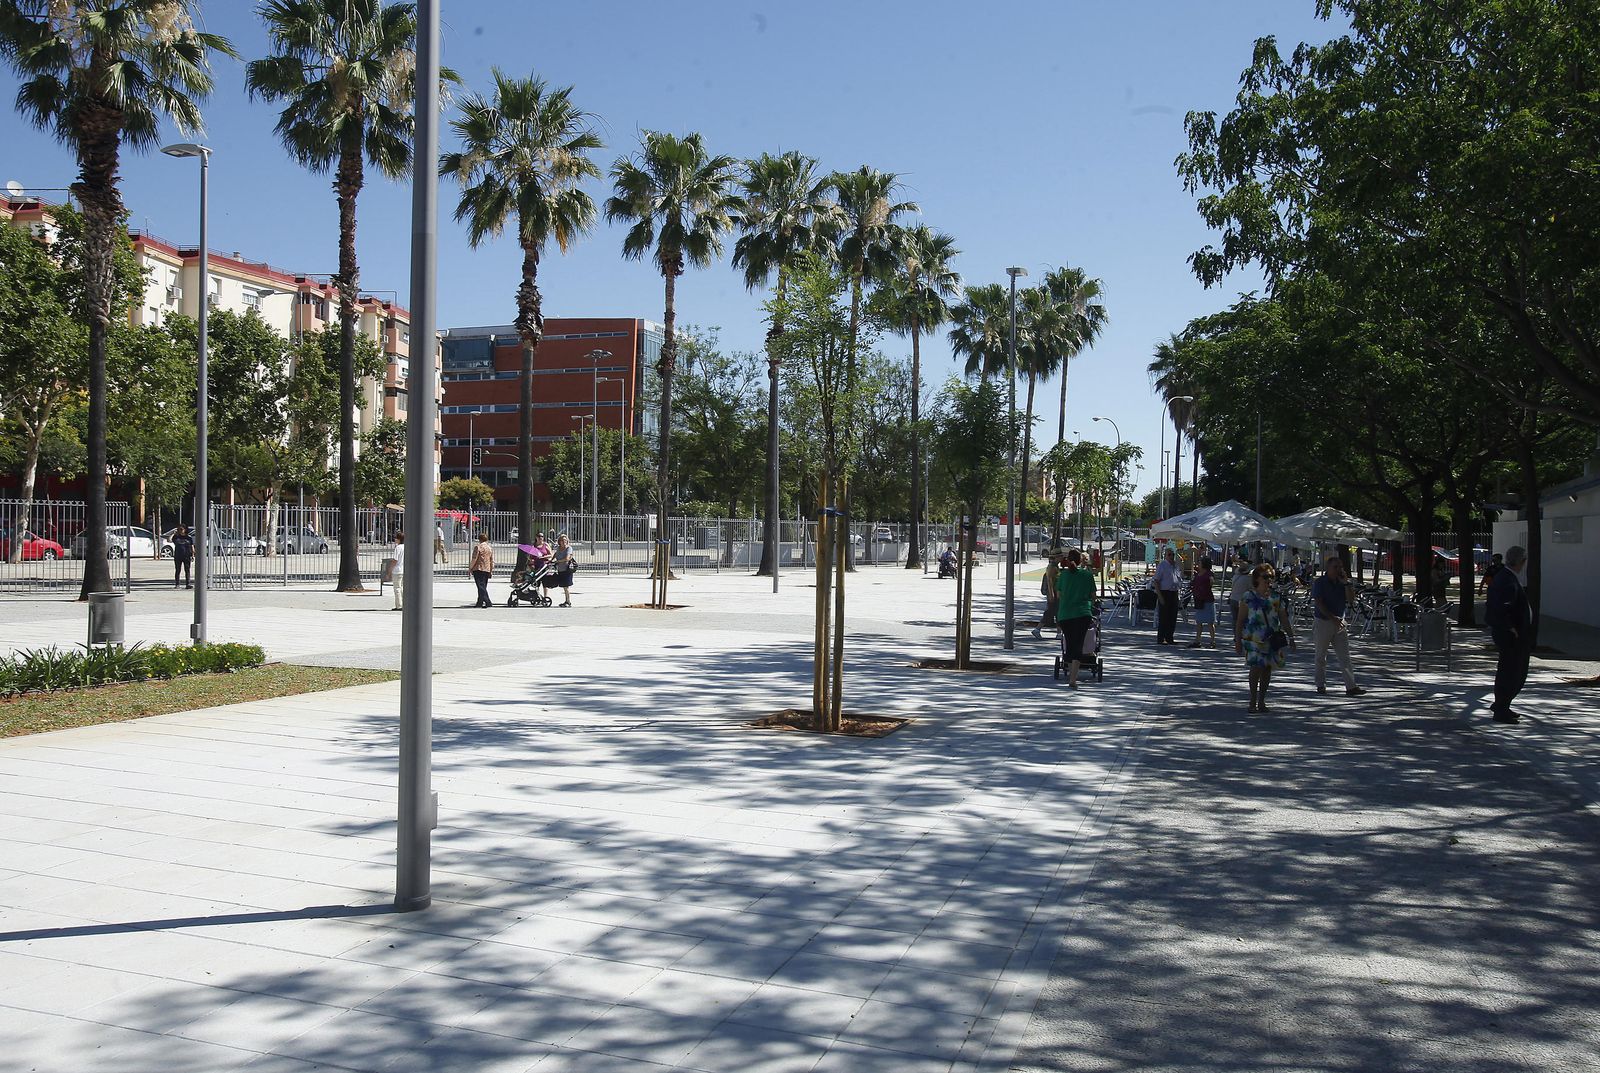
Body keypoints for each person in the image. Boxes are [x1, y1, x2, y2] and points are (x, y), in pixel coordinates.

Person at [1236, 563, 1296, 712]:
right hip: (1254, 640)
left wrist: (1292, 637)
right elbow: (1240, 621)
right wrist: (1237, 641)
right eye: (1265, 577)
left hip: (1271, 640)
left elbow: (1284, 618)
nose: (1269, 580)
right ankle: (1252, 700)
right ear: (1257, 578)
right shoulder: (1248, 597)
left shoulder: (1276, 598)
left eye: (1271, 577)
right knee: (1255, 668)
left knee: (1267, 670)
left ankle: (1262, 700)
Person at [1484, 545, 1530, 724]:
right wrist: (1510, 627)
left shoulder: (1507, 577)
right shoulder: (1507, 579)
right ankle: (1501, 707)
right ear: (1522, 562)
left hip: (1513, 634)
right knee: (1512, 672)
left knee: (1512, 671)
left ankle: (1503, 704)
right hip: (1511, 636)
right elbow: (1500, 606)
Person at [1311, 552, 1366, 696]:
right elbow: (1319, 603)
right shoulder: (1320, 583)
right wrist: (1332, 617)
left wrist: (1347, 584)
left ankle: (1351, 686)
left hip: (1340, 623)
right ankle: (1320, 685)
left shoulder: (1342, 583)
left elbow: (1351, 600)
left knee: (1344, 656)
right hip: (1323, 622)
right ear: (1328, 568)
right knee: (1320, 656)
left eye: (1340, 567)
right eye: (1336, 567)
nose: (1339, 570)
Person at [1055, 548, 1097, 688]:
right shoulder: (1087, 575)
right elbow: (1093, 595)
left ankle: (1069, 672)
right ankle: (1073, 679)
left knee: (1070, 644)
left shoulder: (1063, 576)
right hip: (1082, 613)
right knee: (1078, 644)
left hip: (1065, 614)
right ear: (1081, 560)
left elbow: (1059, 595)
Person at [1032, 552, 1063, 640]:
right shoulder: (1052, 567)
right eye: (1060, 556)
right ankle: (1039, 629)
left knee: (1053, 613)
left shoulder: (1055, 566)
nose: (1062, 558)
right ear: (1056, 557)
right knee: (1052, 612)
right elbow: (1050, 581)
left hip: (1055, 593)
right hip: (1053, 593)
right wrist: (1052, 594)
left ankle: (1058, 632)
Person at [1154, 546, 1181, 645]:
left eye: (1173, 554)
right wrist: (1160, 596)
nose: (1171, 556)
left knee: (1172, 616)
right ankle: (1161, 638)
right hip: (1164, 592)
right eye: (1169, 554)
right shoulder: (1162, 565)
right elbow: (1156, 581)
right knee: (1164, 617)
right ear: (1165, 555)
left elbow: (1178, 578)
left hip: (1174, 592)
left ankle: (1170, 637)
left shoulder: (1175, 566)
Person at [1188, 556, 1217, 648]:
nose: (1198, 563)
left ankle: (1212, 641)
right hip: (1199, 600)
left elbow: (1211, 581)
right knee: (1199, 621)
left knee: (1210, 622)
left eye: (1200, 562)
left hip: (1207, 600)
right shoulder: (1198, 574)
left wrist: (1209, 584)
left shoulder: (1208, 573)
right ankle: (1197, 640)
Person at [549, 533, 576, 607]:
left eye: (565, 540)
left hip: (567, 570)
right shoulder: (559, 548)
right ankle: (566, 601)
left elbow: (567, 558)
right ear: (559, 541)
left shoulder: (568, 548)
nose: (564, 541)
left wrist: (557, 561)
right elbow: (556, 554)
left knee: (566, 587)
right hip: (560, 570)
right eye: (562, 540)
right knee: (564, 586)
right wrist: (552, 559)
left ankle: (568, 602)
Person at [468, 532, 494, 608]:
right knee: (483, 586)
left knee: (480, 587)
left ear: (479, 539)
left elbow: (474, 559)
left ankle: (488, 601)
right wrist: (491, 570)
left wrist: (470, 568)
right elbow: (491, 560)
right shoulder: (489, 548)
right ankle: (479, 602)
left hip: (478, 568)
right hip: (487, 569)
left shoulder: (478, 547)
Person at [171, 525, 195, 589]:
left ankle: (188, 584)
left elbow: (192, 546)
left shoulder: (188, 538)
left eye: (181, 529)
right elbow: (169, 540)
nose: (180, 531)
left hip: (187, 556)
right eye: (179, 529)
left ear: (185, 530)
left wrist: (193, 555)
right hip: (178, 556)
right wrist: (173, 534)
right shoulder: (176, 537)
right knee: (178, 570)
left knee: (187, 570)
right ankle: (177, 584)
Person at [389, 531, 405, 611]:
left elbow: (395, 560)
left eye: (396, 538)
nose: (395, 539)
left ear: (399, 539)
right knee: (402, 588)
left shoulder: (398, 548)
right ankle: (404, 603)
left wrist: (390, 570)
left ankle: (399, 605)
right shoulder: (406, 547)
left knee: (397, 588)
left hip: (397, 570)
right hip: (404, 569)